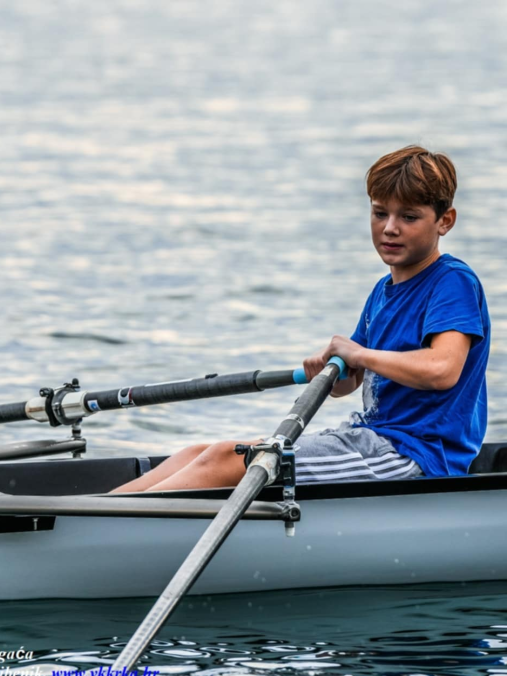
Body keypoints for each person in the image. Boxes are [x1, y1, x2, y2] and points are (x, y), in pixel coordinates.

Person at [114, 146, 490, 493]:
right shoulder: (382, 290)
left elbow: (443, 370)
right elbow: (353, 381)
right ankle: (99, 511)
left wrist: (358, 355)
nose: (390, 228)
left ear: (445, 221)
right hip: (369, 436)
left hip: (415, 457)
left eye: (409, 217)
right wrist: (334, 372)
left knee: (227, 459)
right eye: (379, 213)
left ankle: (106, 528)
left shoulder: (451, 281)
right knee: (201, 451)